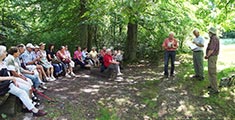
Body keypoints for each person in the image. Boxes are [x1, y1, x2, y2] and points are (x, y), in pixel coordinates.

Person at [0, 45, 47, 116]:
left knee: (27, 86)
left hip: (9, 82)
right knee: (23, 91)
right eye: (4, 52)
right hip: (3, 86)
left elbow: (9, 73)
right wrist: (12, 78)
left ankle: (29, 105)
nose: (6, 53)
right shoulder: (8, 59)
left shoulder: (3, 62)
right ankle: (33, 109)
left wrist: (13, 79)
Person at [205, 27, 220, 95]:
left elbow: (211, 49)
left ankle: (215, 89)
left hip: (212, 57)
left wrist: (207, 56)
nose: (208, 33)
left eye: (209, 32)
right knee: (210, 72)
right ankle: (212, 85)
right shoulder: (214, 38)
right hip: (212, 57)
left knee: (212, 72)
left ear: (211, 33)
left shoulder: (214, 38)